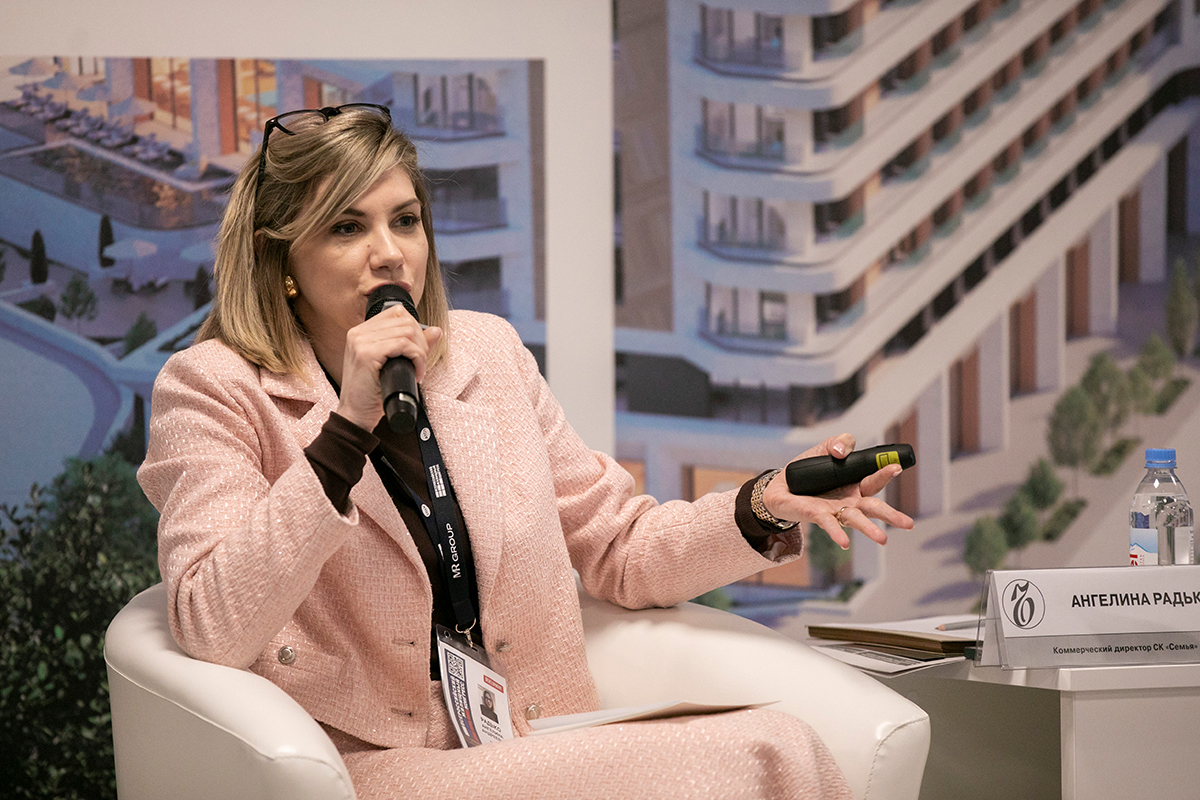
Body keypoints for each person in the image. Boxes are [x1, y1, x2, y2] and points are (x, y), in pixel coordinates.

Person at [138, 104, 914, 800]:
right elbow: (212, 621)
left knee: (776, 745)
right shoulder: (212, 388)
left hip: (529, 738)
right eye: (347, 228)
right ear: (281, 265)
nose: (390, 254)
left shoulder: (488, 355)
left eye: (405, 221)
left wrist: (762, 505)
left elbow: (621, 548)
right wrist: (348, 426)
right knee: (771, 751)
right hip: (370, 766)